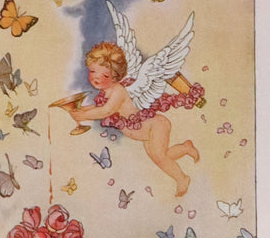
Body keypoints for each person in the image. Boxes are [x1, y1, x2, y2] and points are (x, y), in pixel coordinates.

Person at [70, 41, 199, 196]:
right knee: (160, 157)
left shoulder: (118, 91)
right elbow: (99, 108)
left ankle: (182, 179)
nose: (96, 78)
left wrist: (84, 115)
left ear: (115, 76)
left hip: (154, 127)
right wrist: (81, 110)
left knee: (160, 157)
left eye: (105, 75)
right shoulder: (107, 92)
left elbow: (106, 110)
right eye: (92, 71)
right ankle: (185, 148)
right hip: (146, 133)